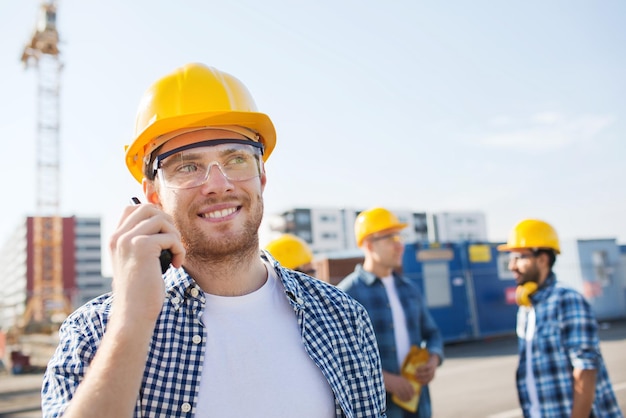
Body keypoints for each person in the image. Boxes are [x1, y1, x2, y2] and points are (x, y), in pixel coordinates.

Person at [41, 63, 387, 417]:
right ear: (152, 195)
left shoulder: (342, 318)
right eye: (187, 166)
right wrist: (132, 320)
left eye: (235, 159)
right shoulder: (96, 332)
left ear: (262, 175)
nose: (218, 184)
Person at [498, 219, 623, 418]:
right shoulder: (527, 309)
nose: (512, 265)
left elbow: (586, 369)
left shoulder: (566, 299)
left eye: (520, 257)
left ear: (542, 259)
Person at [337, 207, 444, 418]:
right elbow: (341, 359)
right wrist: (384, 379)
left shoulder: (410, 290)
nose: (400, 245)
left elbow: (432, 334)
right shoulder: (345, 295)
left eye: (400, 237)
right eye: (390, 238)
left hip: (418, 404)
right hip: (379, 408)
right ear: (368, 245)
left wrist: (433, 359)